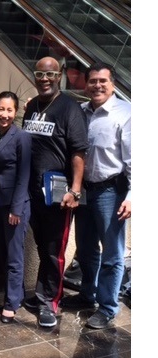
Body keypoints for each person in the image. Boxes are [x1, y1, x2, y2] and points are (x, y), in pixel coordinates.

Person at [61, 63, 131, 328]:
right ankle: (87, 294)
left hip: (111, 191)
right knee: (87, 247)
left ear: (112, 83)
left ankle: (108, 306)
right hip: (84, 192)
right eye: (92, 81)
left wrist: (133, 195)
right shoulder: (81, 112)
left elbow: (136, 158)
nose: (97, 86)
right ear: (86, 84)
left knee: (112, 253)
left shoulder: (125, 113)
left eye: (103, 81)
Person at [22, 56, 88, 327]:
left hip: (59, 197)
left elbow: (78, 153)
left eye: (50, 74)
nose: (45, 79)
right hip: (33, 193)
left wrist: (75, 191)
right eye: (39, 74)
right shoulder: (32, 108)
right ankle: (41, 294)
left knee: (54, 250)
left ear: (59, 75)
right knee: (41, 245)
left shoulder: (69, 108)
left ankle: (51, 302)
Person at [0, 91, 32, 323]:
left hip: (15, 205)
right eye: (1, 109)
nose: (4, 114)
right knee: (4, 253)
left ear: (15, 112)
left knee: (14, 255)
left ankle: (12, 303)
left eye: (9, 110)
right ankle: (14, 295)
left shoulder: (21, 137)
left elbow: (24, 174)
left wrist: (16, 209)